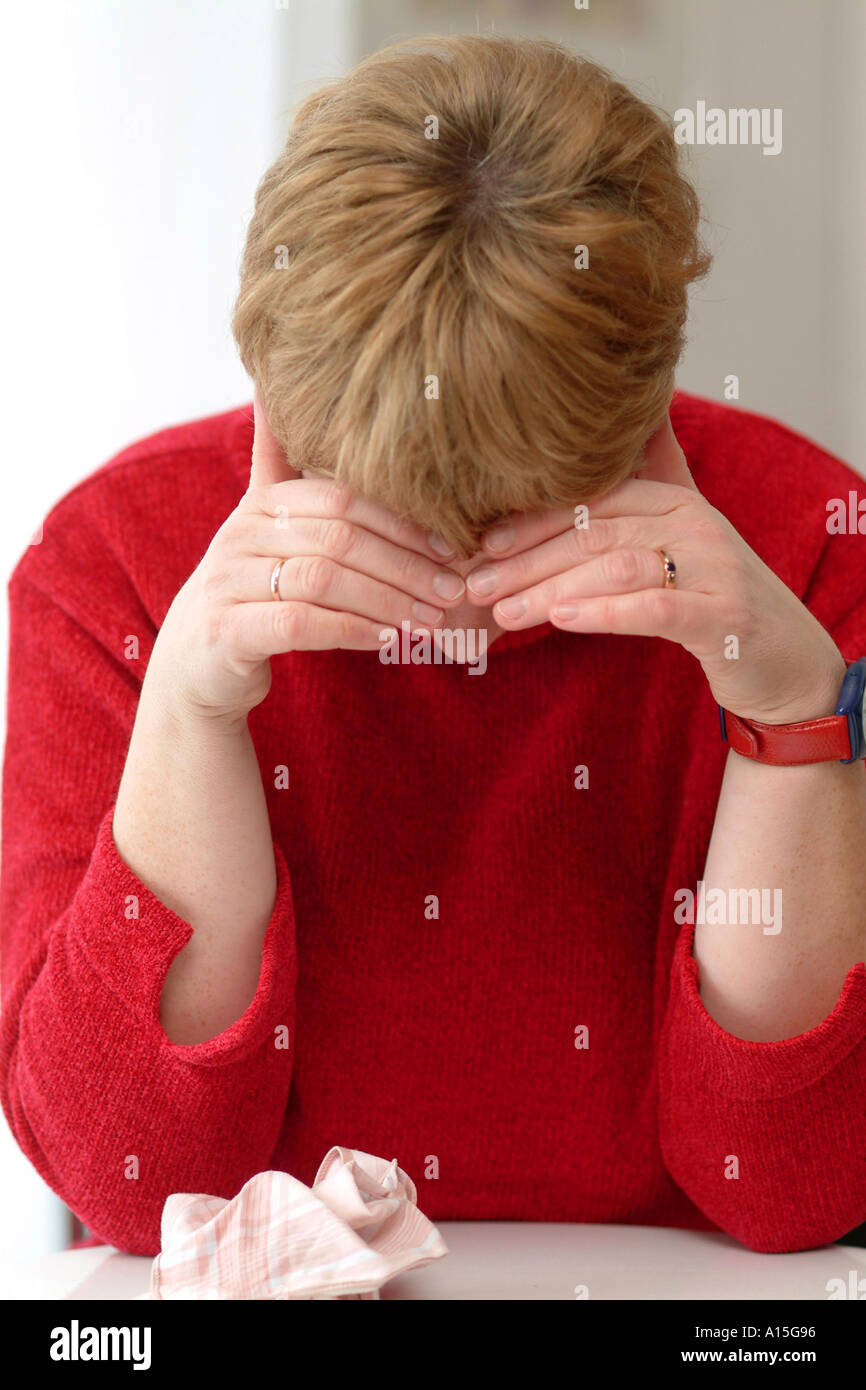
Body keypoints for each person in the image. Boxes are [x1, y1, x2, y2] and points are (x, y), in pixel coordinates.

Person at [1, 34, 864, 1259]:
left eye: (516, 507)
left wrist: (788, 701)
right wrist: (191, 709)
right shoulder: (116, 561)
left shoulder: (811, 548)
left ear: (639, 404)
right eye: (381, 502)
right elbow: (138, 1182)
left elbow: (786, 1189)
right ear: (279, 400)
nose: (455, 596)